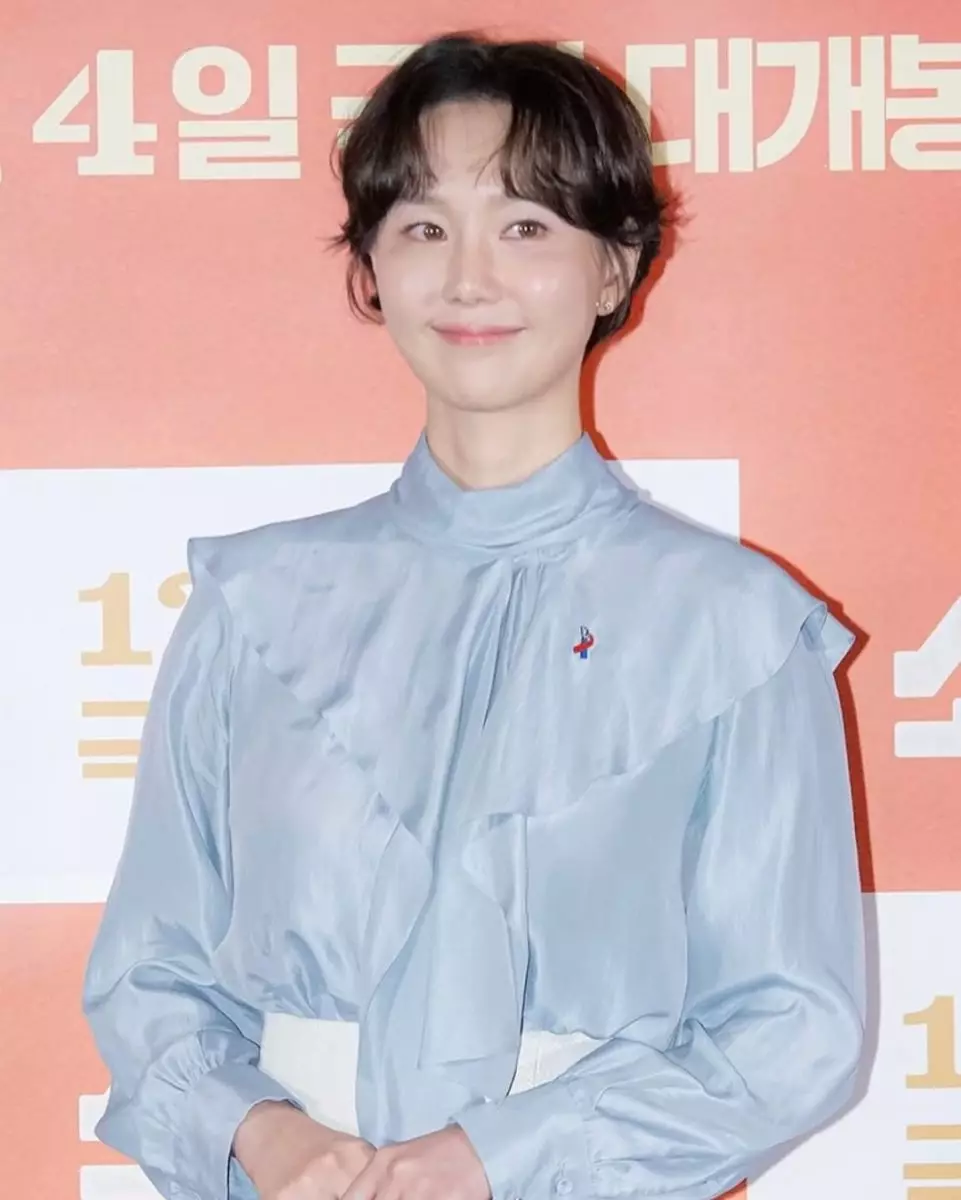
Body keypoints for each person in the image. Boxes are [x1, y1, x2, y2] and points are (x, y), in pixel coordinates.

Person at [82, 31, 867, 1200]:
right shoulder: (254, 607)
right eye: (424, 228)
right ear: (370, 267)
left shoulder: (733, 628)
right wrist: (259, 1130)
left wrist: (501, 1157)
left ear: (615, 269)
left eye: (526, 227)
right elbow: (150, 968)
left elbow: (793, 1026)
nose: (468, 279)